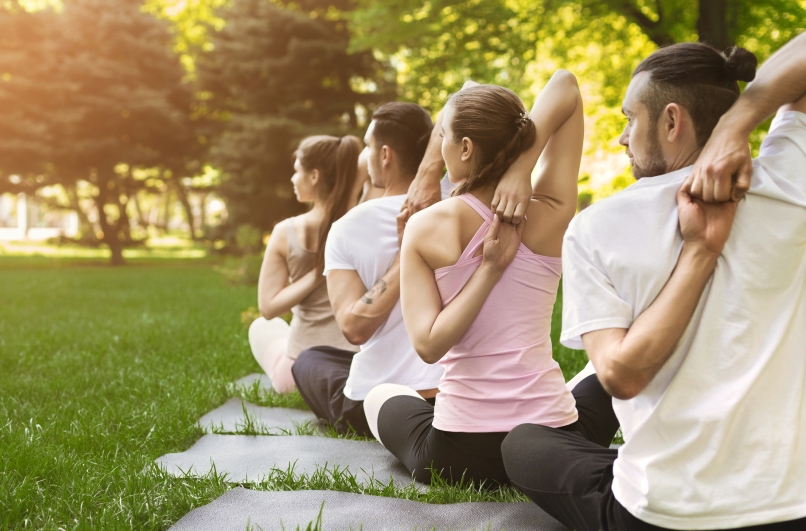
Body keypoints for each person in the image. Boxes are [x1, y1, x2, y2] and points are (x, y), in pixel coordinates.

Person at [501, 35, 806, 531]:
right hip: (792, 509)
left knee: (525, 443)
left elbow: (622, 376)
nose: (621, 138)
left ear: (670, 121)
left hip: (665, 517)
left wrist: (700, 251)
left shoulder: (597, 228)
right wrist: (739, 124)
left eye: (628, 119)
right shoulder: (792, 182)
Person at [362, 71, 618, 488]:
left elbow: (428, 346)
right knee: (604, 371)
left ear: (464, 147)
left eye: (443, 136)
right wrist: (524, 167)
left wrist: (488, 270)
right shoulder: (549, 210)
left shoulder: (425, 227)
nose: (441, 148)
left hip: (458, 454)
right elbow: (567, 86)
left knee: (381, 396)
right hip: (556, 440)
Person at [291, 102, 444, 437]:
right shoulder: (463, 202)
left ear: (385, 155)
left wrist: (407, 256)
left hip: (378, 404)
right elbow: (469, 93)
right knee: (328, 356)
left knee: (308, 361)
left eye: (368, 147)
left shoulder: (348, 226)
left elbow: (353, 328)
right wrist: (432, 168)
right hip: (454, 394)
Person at [249, 135, 362, 394]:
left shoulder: (285, 231)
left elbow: (268, 308)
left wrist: (314, 274)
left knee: (262, 327)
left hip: (298, 374)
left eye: (297, 170)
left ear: (314, 176)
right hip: (354, 367)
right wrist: (322, 271)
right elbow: (364, 161)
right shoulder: (360, 222)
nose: (292, 178)